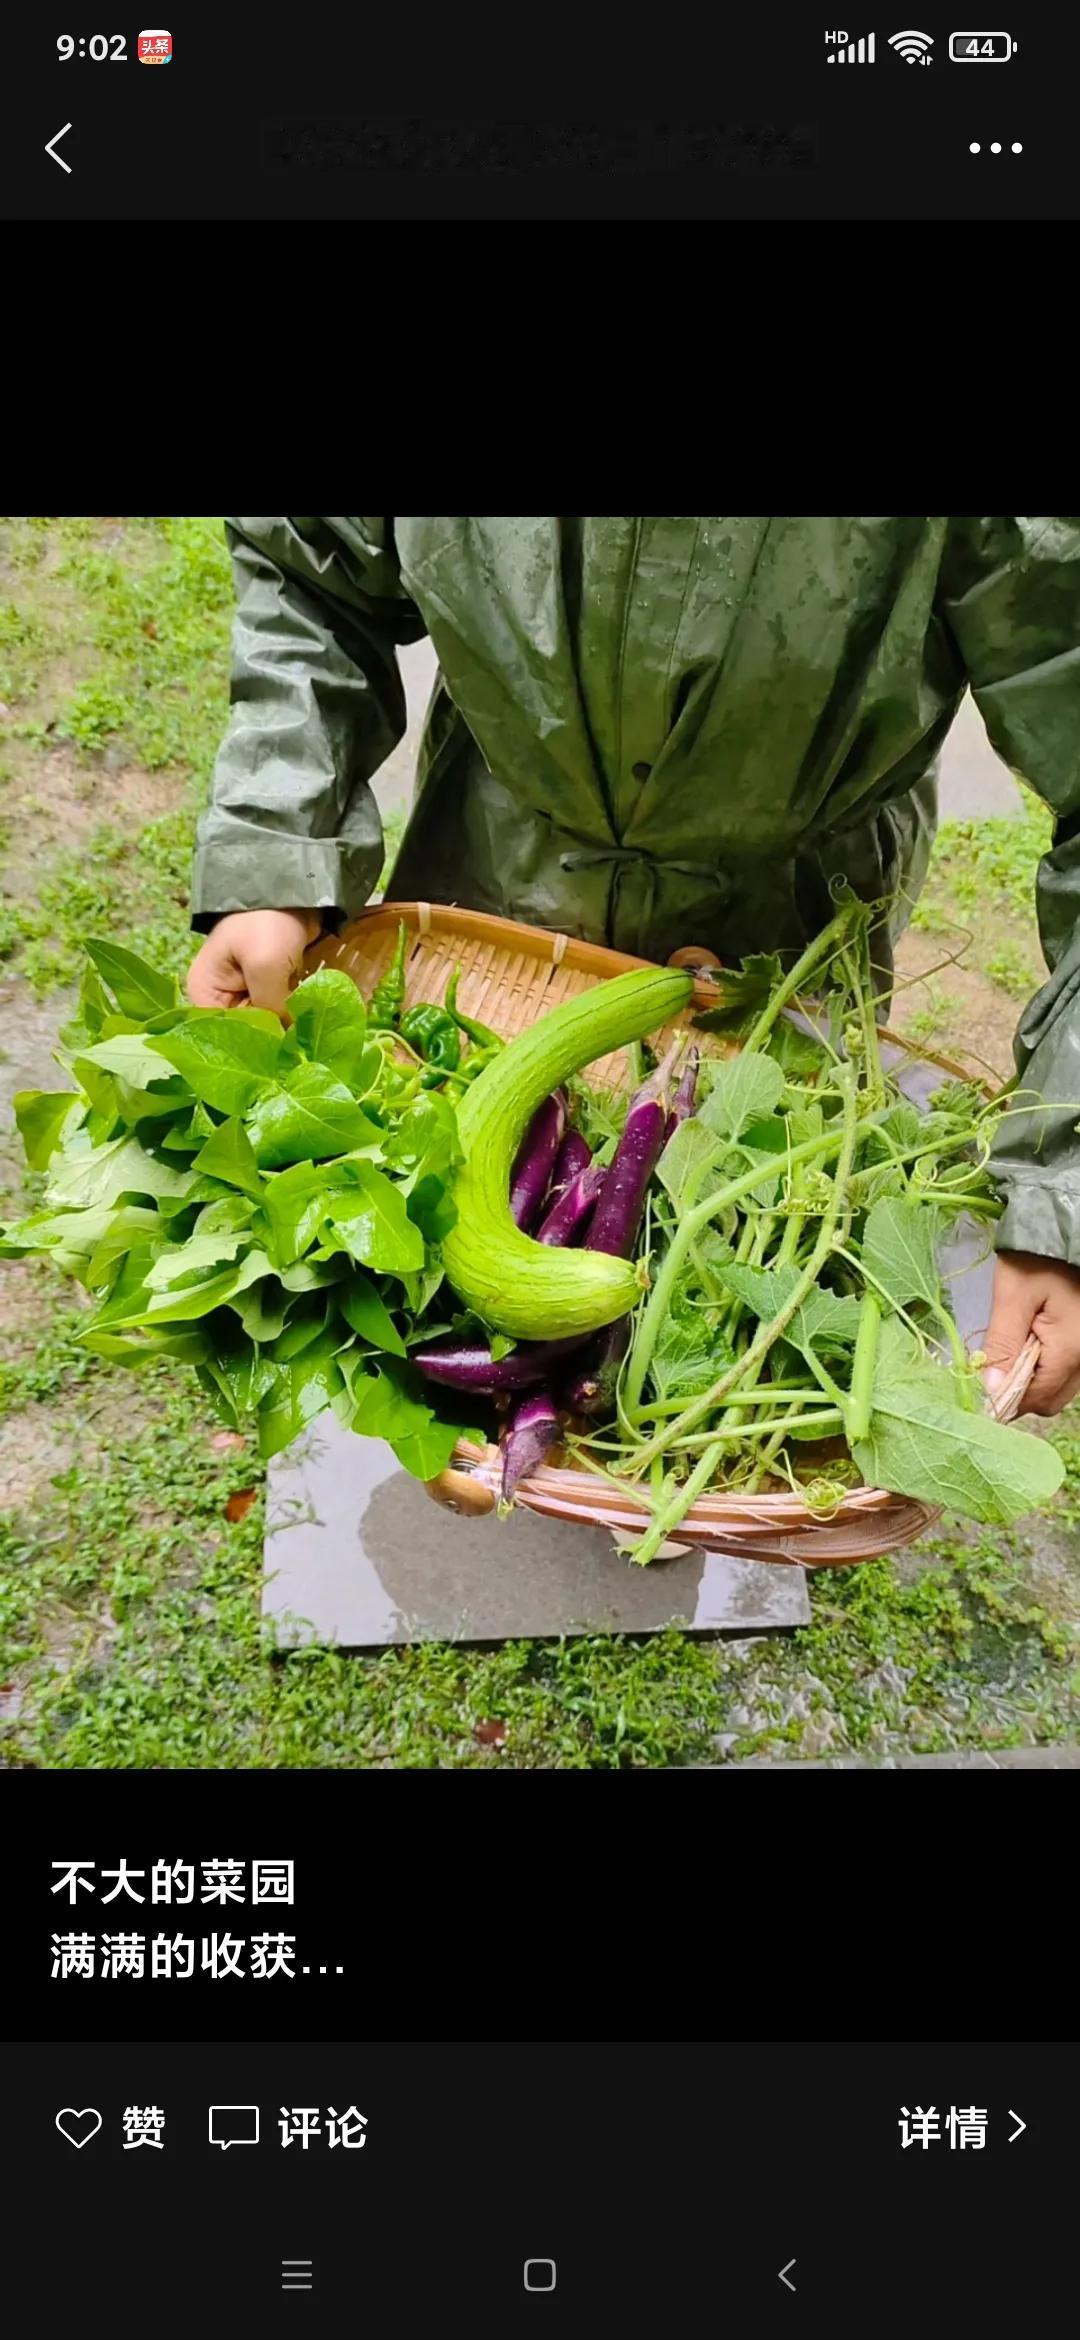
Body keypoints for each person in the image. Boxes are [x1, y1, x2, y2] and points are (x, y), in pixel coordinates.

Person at [187, 517, 1080, 1417]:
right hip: (495, 882)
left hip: (786, 929)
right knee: (448, 1303)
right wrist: (279, 836)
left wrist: (1065, 1193)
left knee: (724, 1291)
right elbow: (312, 562)